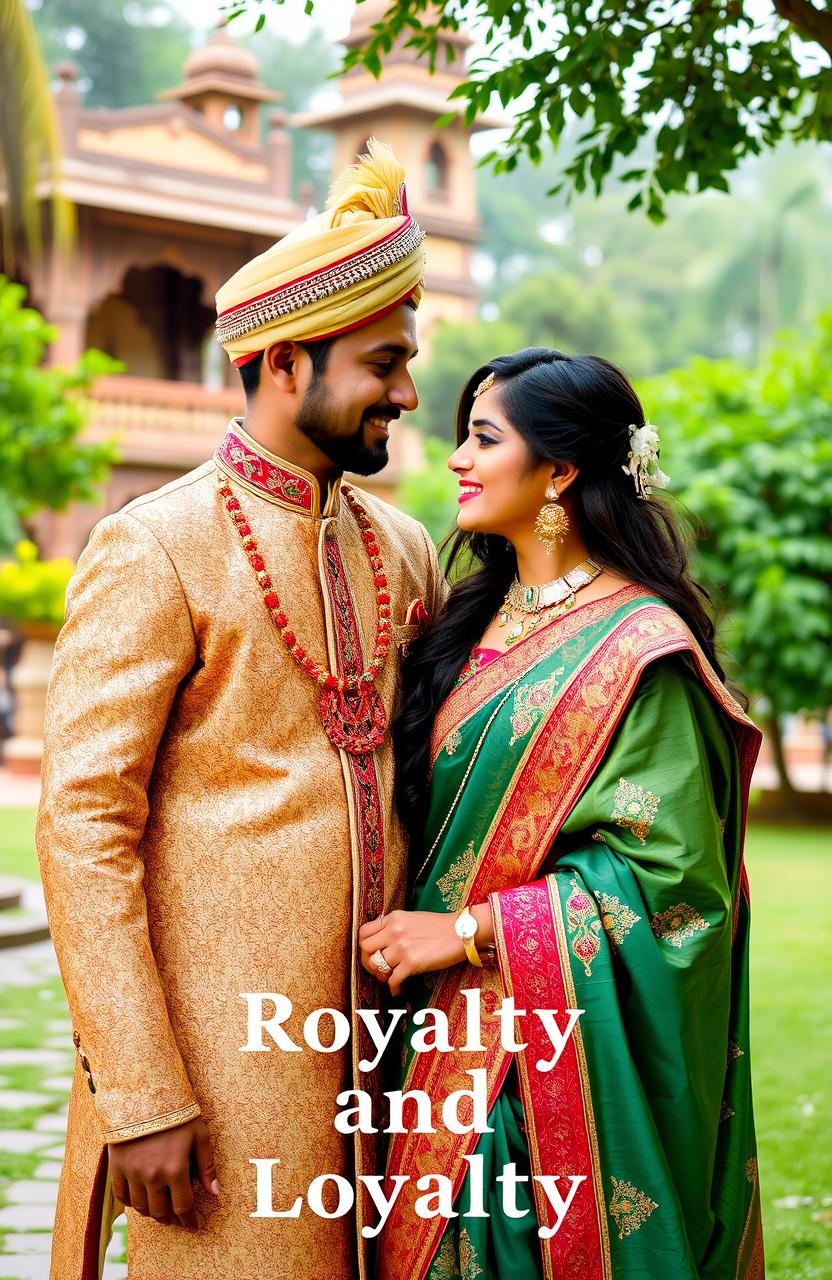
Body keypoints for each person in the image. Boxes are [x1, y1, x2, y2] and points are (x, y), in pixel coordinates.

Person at [37, 141, 444, 1280]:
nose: (408, 393)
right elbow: (82, 827)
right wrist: (143, 1092)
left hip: (388, 1061)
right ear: (281, 362)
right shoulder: (156, 545)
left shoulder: (400, 549)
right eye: (384, 362)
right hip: (222, 1078)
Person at [359, 349, 764, 1280]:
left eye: (483, 438)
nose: (457, 456)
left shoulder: (641, 652)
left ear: (561, 471)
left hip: (535, 1069)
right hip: (422, 1038)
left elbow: (673, 890)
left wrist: (465, 932)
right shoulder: (466, 620)